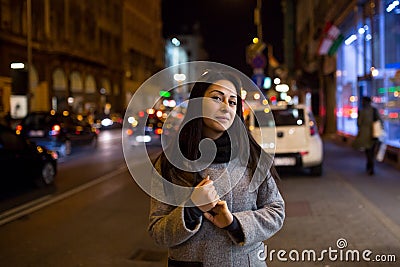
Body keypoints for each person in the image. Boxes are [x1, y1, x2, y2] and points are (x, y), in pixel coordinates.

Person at [148, 70, 285, 266]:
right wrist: (190, 209)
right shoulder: (171, 162)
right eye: (216, 98)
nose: (225, 108)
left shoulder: (252, 157)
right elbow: (157, 231)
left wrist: (235, 223)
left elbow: (276, 211)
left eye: (232, 102)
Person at [353, 96, 382, 175]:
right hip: (374, 133)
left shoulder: (362, 111)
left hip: (365, 134)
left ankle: (370, 165)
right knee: (371, 150)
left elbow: (358, 123)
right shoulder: (374, 110)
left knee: (368, 150)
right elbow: (380, 121)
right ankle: (370, 165)